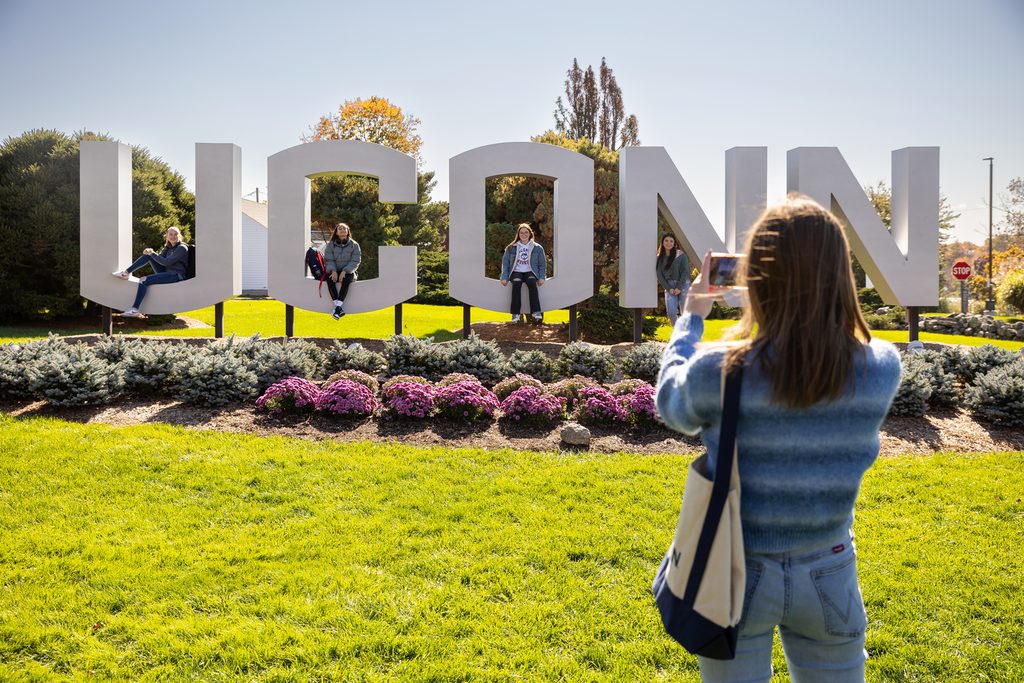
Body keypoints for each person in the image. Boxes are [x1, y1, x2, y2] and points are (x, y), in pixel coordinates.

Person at [655, 195, 901, 682]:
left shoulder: (721, 370)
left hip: (735, 573)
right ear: (839, 270)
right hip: (830, 568)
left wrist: (691, 317)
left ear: (758, 274)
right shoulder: (880, 367)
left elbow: (671, 405)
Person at [113, 226, 189, 317]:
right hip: (166, 272)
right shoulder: (168, 247)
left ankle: (134, 309)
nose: (173, 236)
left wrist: (152, 253)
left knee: (144, 280)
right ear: (167, 236)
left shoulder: (182, 248)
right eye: (171, 234)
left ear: (179, 235)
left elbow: (166, 262)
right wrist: (150, 252)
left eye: (175, 234)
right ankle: (125, 273)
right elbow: (158, 259)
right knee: (148, 256)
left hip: (176, 275)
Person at [500, 223, 546, 323]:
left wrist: (542, 277)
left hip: (530, 271)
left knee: (532, 282)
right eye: (521, 232)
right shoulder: (511, 247)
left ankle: (536, 311)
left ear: (530, 233)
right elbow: (505, 263)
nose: (524, 234)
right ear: (518, 234)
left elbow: (542, 264)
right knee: (516, 283)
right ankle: (515, 313)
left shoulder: (537, 248)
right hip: (516, 272)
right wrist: (504, 277)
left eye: (526, 232)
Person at [323, 222, 361, 319]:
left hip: (349, 272)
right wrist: (333, 271)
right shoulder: (330, 245)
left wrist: (345, 271)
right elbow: (328, 259)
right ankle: (338, 308)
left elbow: (355, 260)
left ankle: (337, 307)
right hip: (334, 271)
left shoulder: (354, 245)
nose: (342, 230)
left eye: (345, 228)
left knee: (346, 280)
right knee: (329, 279)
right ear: (336, 232)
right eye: (340, 228)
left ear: (348, 231)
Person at [656, 233, 690, 326]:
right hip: (669, 286)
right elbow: (659, 275)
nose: (668, 243)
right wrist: (669, 288)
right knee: (671, 312)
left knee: (685, 312)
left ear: (674, 243)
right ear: (662, 242)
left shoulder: (680, 255)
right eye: (666, 240)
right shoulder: (660, 257)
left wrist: (679, 287)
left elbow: (686, 271)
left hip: (683, 285)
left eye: (671, 241)